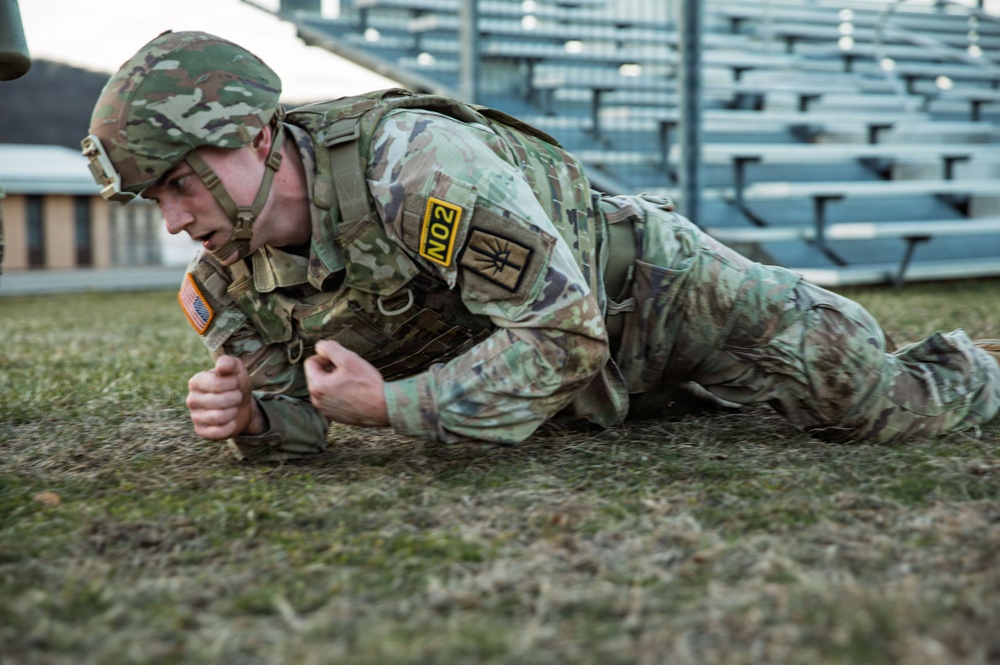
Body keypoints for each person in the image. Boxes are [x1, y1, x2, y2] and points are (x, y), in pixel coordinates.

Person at [83, 30, 1000, 462]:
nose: (174, 219)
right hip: (572, 386)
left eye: (177, 183)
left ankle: (978, 365)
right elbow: (297, 422)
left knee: (869, 400)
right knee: (705, 411)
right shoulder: (225, 281)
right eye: (153, 197)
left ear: (251, 138)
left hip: (653, 296)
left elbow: (564, 335)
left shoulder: (413, 167)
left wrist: (393, 406)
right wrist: (251, 419)